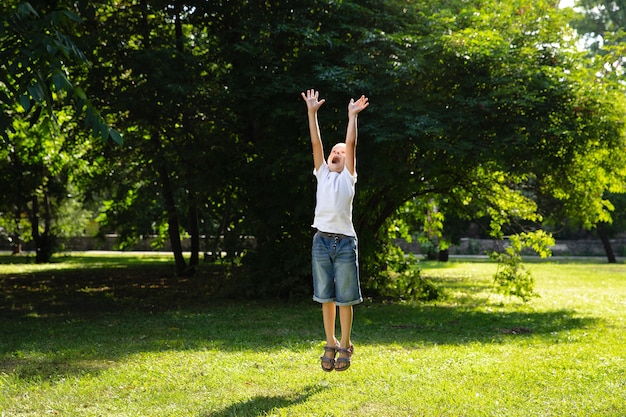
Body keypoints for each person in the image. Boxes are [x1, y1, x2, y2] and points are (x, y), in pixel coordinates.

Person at [300, 88, 369, 371]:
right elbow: (316, 143)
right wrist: (311, 113)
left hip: (344, 243)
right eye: (334, 151)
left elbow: (351, 143)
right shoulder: (323, 175)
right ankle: (329, 341)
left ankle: (345, 342)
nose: (336, 153)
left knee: (345, 298)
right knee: (325, 296)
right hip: (321, 241)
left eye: (341, 152)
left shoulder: (348, 179)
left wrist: (352, 117)